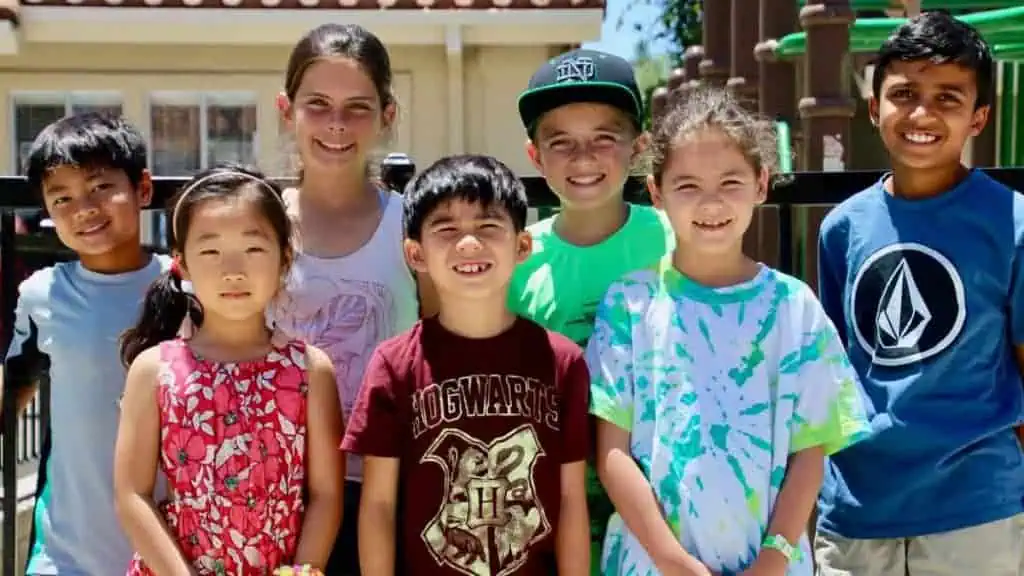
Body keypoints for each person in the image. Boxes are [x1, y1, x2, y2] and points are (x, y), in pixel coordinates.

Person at [587, 87, 869, 576]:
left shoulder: (794, 307)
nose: (711, 202)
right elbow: (611, 451)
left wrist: (773, 559)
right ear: (657, 193)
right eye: (688, 185)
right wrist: (672, 560)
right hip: (648, 565)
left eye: (730, 182)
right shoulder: (629, 305)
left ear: (762, 184)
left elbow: (810, 452)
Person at [815, 12, 1024, 576]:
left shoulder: (1013, 222)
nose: (922, 114)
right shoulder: (842, 228)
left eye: (948, 98)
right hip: (856, 509)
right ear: (873, 105)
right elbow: (837, 368)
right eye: (904, 93)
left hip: (977, 509)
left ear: (979, 117)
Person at [342, 154, 591, 575]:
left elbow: (569, 500)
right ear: (416, 254)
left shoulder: (563, 362)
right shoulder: (393, 365)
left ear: (522, 246)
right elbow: (379, 506)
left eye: (488, 226)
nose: (469, 244)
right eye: (447, 229)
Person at [113, 165, 345, 575]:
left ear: (284, 259)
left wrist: (305, 570)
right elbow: (132, 494)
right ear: (182, 264)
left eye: (253, 249)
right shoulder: (154, 370)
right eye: (210, 251)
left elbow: (326, 494)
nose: (233, 269)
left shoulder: (310, 370)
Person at [270, 24, 434, 574]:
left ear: (387, 115)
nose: (337, 124)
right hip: (270, 490)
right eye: (317, 104)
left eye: (357, 106)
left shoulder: (409, 225)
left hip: (383, 492)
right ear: (286, 110)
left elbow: (439, 346)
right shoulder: (255, 224)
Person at [510, 47, 675, 571]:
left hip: (663, 509)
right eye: (561, 142)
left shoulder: (677, 238)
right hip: (553, 506)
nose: (584, 158)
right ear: (535, 156)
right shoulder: (516, 260)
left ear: (640, 148)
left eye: (605, 138)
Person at [0, 113, 170, 576]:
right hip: (66, 558)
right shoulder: (41, 295)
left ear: (144, 188)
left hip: (172, 555)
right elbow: (12, 392)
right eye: (62, 198)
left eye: (100, 187)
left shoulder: (187, 289)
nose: (84, 208)